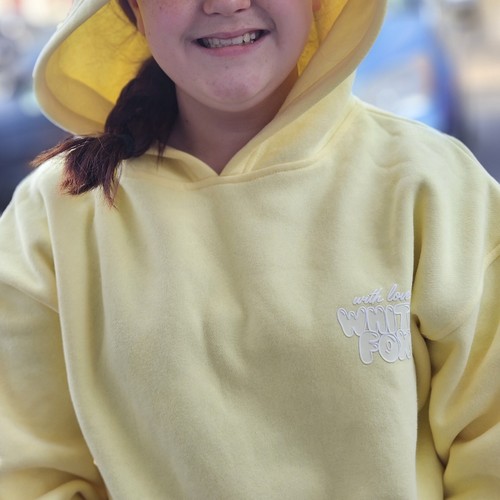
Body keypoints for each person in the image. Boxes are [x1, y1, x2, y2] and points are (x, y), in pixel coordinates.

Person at [0, 0, 499, 497]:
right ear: (136, 8)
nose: (226, 4)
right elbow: (28, 474)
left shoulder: (433, 187)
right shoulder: (53, 218)